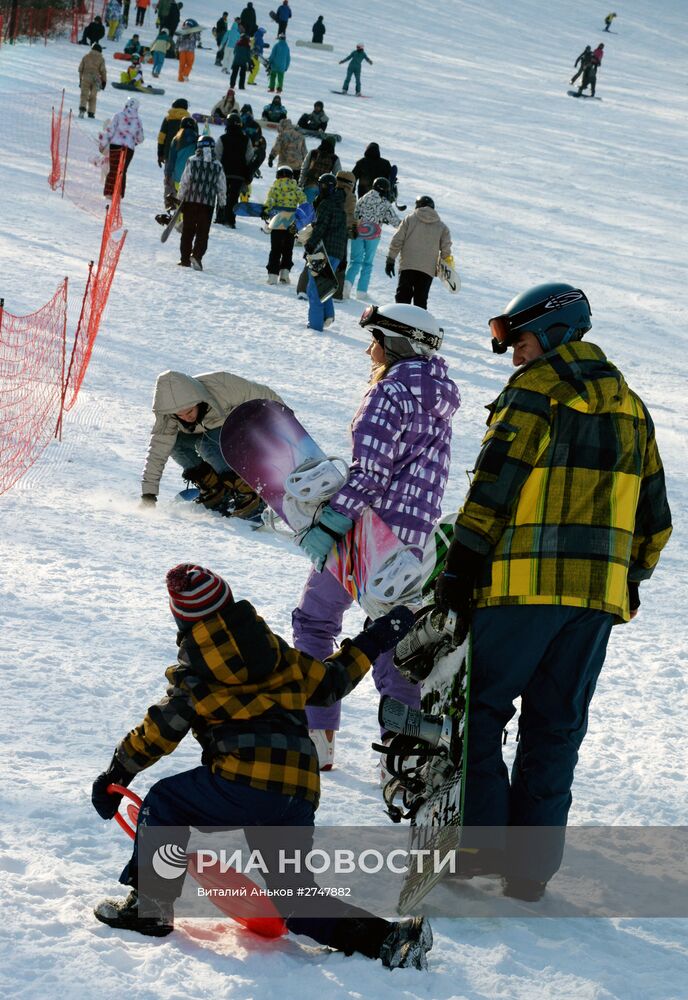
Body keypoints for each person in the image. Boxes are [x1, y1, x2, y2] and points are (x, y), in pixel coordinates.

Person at [434, 282, 672, 899]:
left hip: (521, 587)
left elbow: (493, 486)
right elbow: (656, 518)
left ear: (557, 333)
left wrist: (460, 568)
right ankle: (531, 870)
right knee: (556, 724)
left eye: (521, 340)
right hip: (594, 600)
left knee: (479, 710)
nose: (513, 354)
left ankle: (479, 846)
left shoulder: (536, 393)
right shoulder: (632, 407)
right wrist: (629, 581)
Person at [90, 564, 429, 968]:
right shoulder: (279, 656)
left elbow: (160, 730)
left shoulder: (196, 674)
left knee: (165, 801)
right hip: (298, 789)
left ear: (181, 618)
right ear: (231, 605)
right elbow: (332, 681)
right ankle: (390, 939)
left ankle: (150, 907)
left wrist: (117, 773)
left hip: (243, 783)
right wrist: (377, 637)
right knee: (294, 897)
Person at [294, 303, 460, 767]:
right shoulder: (438, 397)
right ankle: (402, 751)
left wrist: (329, 524)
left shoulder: (389, 393)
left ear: (395, 344)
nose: (370, 350)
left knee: (315, 621)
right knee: (390, 640)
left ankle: (316, 736)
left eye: (375, 340)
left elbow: (369, 474)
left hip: (368, 533)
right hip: (412, 541)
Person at [139, 370, 283, 511]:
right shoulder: (170, 416)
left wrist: (285, 422)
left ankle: (248, 491)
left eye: (189, 411)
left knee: (205, 444)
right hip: (209, 435)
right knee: (174, 443)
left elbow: (263, 394)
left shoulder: (222, 385)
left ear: (198, 401)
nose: (186, 417)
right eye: (179, 415)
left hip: (242, 430)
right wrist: (148, 495)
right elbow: (157, 452)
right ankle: (215, 488)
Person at [385, 196, 451, 309]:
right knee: (420, 301)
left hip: (408, 265)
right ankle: (418, 324)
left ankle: (400, 322)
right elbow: (446, 251)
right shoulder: (442, 227)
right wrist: (446, 269)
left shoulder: (409, 219)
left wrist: (390, 259)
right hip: (427, 270)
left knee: (402, 298)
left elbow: (397, 240)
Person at [302, 173, 347, 332]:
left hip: (323, 250)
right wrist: (344, 257)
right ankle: (328, 314)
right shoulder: (339, 204)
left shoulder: (327, 204)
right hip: (336, 251)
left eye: (323, 186)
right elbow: (344, 232)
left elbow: (320, 227)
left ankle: (315, 326)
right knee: (323, 285)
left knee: (314, 289)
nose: (321, 189)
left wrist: (310, 245)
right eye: (320, 185)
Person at [344, 177, 400, 300]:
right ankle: (361, 291)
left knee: (355, 261)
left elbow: (355, 213)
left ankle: (346, 287)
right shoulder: (385, 203)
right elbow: (396, 222)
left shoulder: (363, 198)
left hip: (358, 232)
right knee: (367, 263)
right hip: (373, 235)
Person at [176, 135, 226, 270]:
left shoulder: (192, 161)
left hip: (191, 202)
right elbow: (221, 186)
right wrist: (222, 203)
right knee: (203, 232)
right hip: (208, 204)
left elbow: (185, 181)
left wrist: (180, 198)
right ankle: (197, 256)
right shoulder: (218, 165)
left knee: (188, 231)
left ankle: (185, 259)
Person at [263, 166, 306, 284]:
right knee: (288, 248)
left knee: (275, 248)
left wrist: (265, 211)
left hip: (277, 221)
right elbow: (304, 202)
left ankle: (272, 276)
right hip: (291, 222)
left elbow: (269, 202)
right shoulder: (296, 189)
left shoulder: (275, 188)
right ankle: (285, 274)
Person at [215, 112, 253, 228]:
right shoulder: (246, 139)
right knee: (233, 197)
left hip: (224, 173)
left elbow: (217, 156)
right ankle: (230, 220)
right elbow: (249, 157)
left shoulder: (222, 138)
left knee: (222, 195)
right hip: (239, 174)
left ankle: (220, 218)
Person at [101, 97, 144, 198]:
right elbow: (140, 138)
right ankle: (119, 194)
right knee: (122, 170)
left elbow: (110, 131)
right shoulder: (138, 120)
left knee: (113, 168)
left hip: (115, 144)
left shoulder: (118, 116)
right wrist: (134, 141)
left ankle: (108, 192)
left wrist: (103, 144)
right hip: (128, 148)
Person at [332, 170, 356, 300]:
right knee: (341, 261)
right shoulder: (350, 197)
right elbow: (350, 215)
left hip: (328, 229)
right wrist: (353, 228)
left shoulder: (331, 191)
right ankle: (337, 292)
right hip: (343, 232)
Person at [165, 116, 199, 205]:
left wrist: (168, 174)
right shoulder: (197, 139)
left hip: (178, 174)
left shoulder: (176, 139)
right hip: (192, 174)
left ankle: (179, 217)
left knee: (179, 199)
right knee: (189, 200)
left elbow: (171, 159)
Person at [298, 137, 341, 202]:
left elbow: (304, 168)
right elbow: (337, 175)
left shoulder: (313, 153)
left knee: (307, 209)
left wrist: (301, 183)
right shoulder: (334, 158)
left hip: (309, 185)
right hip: (324, 189)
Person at [157, 98, 188, 182]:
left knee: (168, 179)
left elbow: (161, 137)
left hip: (168, 153)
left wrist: (160, 154)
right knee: (181, 180)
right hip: (183, 154)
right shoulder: (189, 120)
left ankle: (169, 194)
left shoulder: (168, 119)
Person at [78, 43, 107, 120]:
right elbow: (103, 71)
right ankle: (91, 113)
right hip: (96, 79)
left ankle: (82, 109)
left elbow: (80, 69)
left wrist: (80, 80)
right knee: (93, 96)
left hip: (86, 77)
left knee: (84, 94)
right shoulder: (101, 59)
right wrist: (104, 82)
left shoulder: (86, 57)